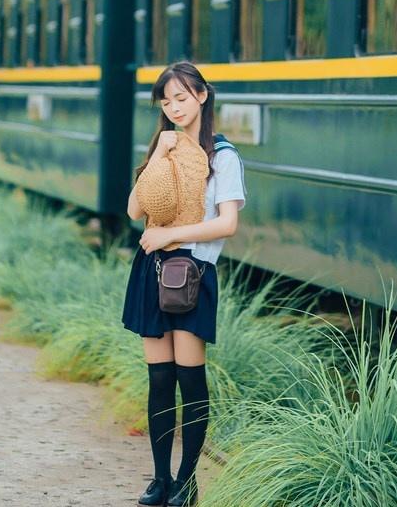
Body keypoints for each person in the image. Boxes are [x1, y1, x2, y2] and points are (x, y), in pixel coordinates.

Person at [122, 60, 247, 507]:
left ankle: (187, 480)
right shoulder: (165, 148)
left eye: (182, 97)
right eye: (167, 100)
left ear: (202, 95)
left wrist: (171, 234)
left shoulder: (223, 156)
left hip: (191, 273)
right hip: (152, 270)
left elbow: (227, 224)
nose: (174, 107)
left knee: (189, 379)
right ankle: (160, 480)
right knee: (159, 379)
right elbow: (136, 209)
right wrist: (158, 154)